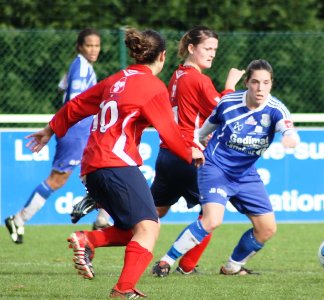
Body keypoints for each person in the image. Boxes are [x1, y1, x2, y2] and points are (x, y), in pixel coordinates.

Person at [25, 28, 205, 299]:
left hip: (91, 168)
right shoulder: (153, 87)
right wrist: (191, 152)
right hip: (116, 164)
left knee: (131, 229)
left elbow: (77, 105)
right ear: (163, 56)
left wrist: (50, 129)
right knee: (149, 227)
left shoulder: (115, 79)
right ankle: (123, 290)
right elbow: (170, 132)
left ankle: (89, 240)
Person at [152, 59, 300, 276]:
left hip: (246, 174)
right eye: (255, 82)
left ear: (271, 84)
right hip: (216, 168)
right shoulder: (229, 102)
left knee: (267, 228)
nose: (260, 88)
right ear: (247, 82)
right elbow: (203, 132)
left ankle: (231, 267)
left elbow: (288, 130)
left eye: (266, 83)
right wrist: (198, 145)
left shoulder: (276, 109)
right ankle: (165, 262)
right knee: (212, 220)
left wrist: (290, 138)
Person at [151, 25, 245, 277]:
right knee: (211, 214)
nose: (212, 53)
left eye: (215, 49)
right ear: (191, 48)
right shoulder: (198, 79)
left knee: (149, 215)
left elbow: (202, 115)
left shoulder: (177, 75)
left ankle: (92, 239)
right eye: (207, 48)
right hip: (189, 156)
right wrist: (230, 85)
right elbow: (226, 111)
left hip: (167, 155)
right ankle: (185, 265)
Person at [5, 28, 110, 245]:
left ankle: (102, 217)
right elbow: (74, 101)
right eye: (89, 45)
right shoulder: (81, 67)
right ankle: (19, 218)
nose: (93, 49)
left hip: (83, 131)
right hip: (76, 132)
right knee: (58, 179)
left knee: (103, 170)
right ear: (80, 46)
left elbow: (63, 88)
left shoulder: (80, 66)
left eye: (97, 45)